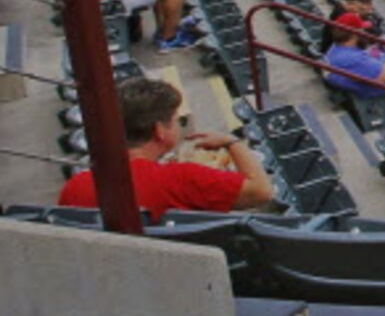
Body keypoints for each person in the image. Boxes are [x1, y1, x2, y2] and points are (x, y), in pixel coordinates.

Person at [56, 74, 277, 217]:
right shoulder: (182, 179)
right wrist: (233, 142)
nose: (179, 125)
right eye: (176, 120)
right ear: (160, 131)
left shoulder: (75, 187)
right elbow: (262, 191)